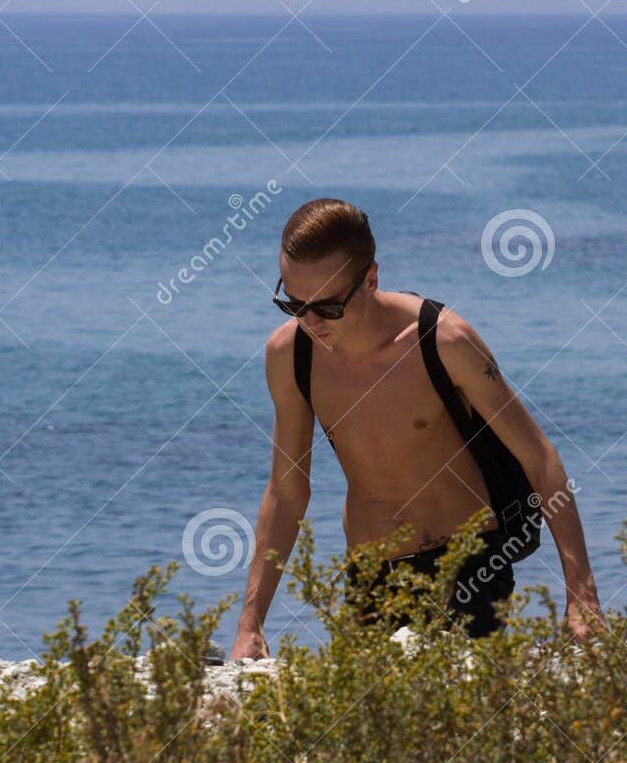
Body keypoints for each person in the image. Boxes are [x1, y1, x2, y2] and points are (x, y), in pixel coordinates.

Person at [228, 198, 602, 660]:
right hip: (373, 573)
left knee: (462, 718)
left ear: (370, 279)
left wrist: (581, 595)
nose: (308, 322)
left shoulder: (443, 341)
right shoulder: (290, 356)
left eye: (326, 307)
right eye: (292, 303)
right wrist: (250, 624)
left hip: (469, 565)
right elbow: (287, 492)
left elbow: (540, 459)